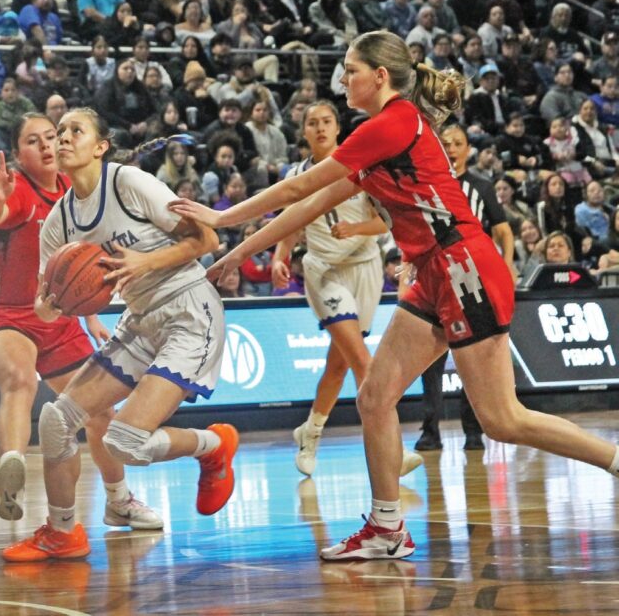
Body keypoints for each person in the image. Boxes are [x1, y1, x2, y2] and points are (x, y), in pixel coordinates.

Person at [170, 30, 619, 561]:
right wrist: (234, 252)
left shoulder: (394, 121)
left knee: (502, 419)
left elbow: (296, 187)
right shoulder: (378, 133)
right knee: (374, 396)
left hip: (462, 267)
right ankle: (387, 528)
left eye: (351, 69)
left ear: (379, 77)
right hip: (435, 270)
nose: (343, 79)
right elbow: (309, 206)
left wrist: (221, 217)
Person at [2, 108, 238, 562]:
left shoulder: (129, 183)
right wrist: (52, 306)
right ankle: (63, 532)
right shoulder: (59, 222)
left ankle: (214, 445)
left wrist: (142, 263)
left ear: (100, 146)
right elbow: (42, 307)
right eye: (58, 133)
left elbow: (207, 240)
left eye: (75, 131)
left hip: (189, 310)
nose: (63, 140)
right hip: (140, 320)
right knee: (56, 419)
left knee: (123, 443)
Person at [0, 112, 162, 530]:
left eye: (51, 136)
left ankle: (119, 500)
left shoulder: (73, 196)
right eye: (33, 140)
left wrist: (90, 314)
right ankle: (12, 468)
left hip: (57, 316)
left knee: (100, 413)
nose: (45, 145)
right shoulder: (18, 189)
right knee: (20, 381)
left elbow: (77, 266)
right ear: (18, 155)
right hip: (6, 314)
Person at [275, 100, 423, 478]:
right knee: (361, 360)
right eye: (312, 123)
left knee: (339, 363)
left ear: (338, 128)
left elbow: (385, 220)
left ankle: (310, 432)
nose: (320, 128)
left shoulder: (362, 166)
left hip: (365, 267)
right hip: (324, 270)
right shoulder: (295, 174)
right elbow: (290, 222)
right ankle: (393, 448)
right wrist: (281, 253)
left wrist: (356, 229)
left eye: (326, 121)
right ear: (304, 132)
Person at [413, 124, 517, 452]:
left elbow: (504, 232)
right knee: (429, 358)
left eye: (458, 143)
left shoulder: (482, 187)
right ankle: (430, 429)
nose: (452, 148)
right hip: (433, 275)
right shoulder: (427, 184)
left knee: (471, 355)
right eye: (446, 143)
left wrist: (508, 265)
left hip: (472, 277)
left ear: (469, 149)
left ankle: (473, 429)